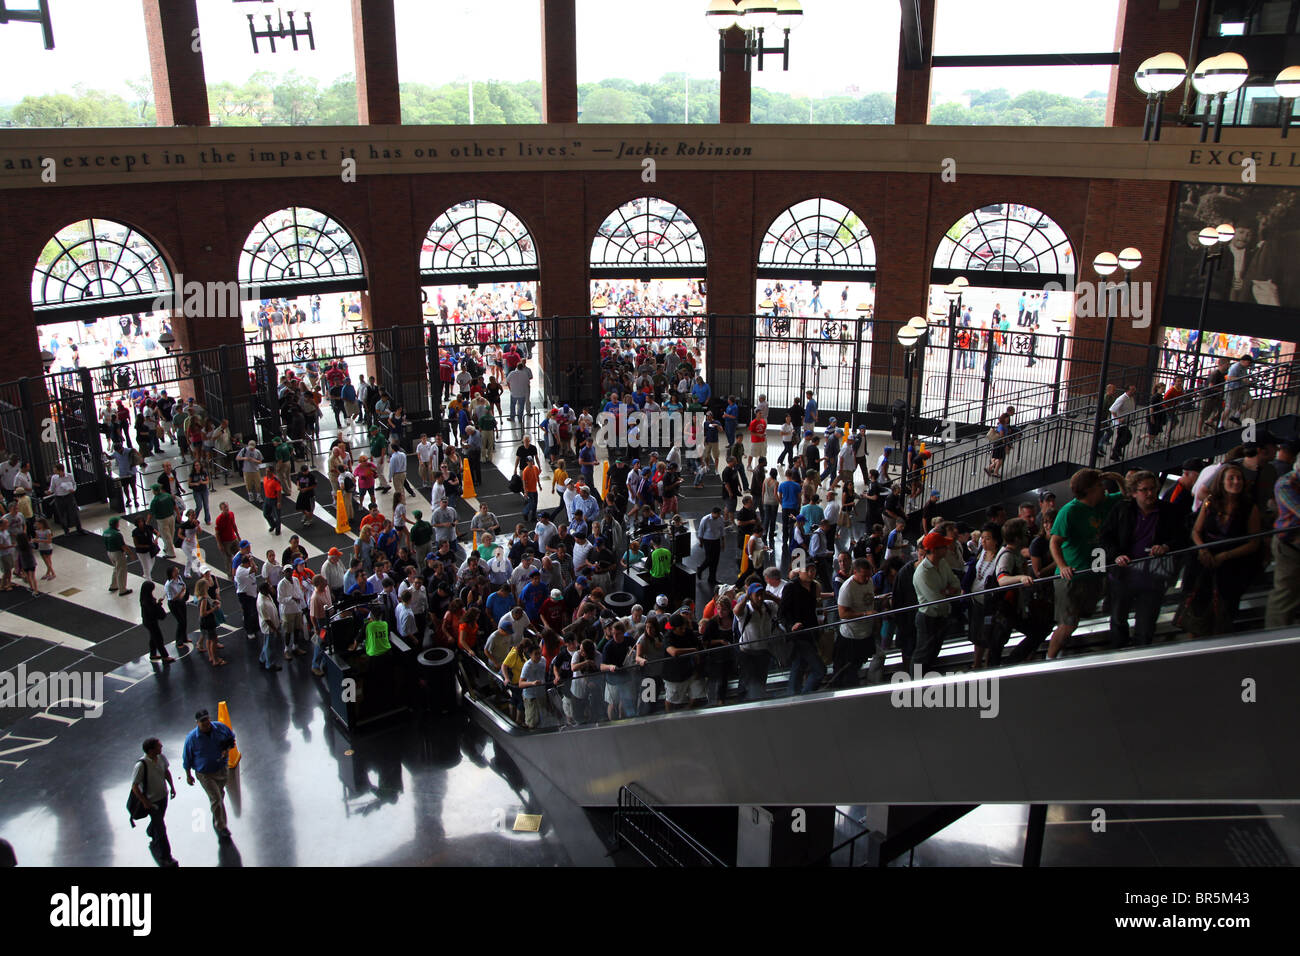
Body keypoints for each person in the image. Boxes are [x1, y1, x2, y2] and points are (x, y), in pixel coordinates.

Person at [1099, 470, 1188, 648]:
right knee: (1118, 619)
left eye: (1152, 489)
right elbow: (1106, 537)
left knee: (1146, 624)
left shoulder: (1169, 511)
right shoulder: (1122, 509)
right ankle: (1118, 653)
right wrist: (1117, 555)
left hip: (1153, 578)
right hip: (1123, 576)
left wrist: (1166, 547)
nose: (1149, 493)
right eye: (1144, 490)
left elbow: (1182, 537)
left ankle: (1142, 655)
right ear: (1134, 492)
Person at [1046, 468, 1125, 659]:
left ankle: (1062, 650)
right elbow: (1054, 542)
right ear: (1089, 490)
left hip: (1094, 573)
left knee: (1079, 618)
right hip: (1072, 576)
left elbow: (1127, 496)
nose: (1104, 489)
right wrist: (1063, 566)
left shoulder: (1104, 502)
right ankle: (1049, 658)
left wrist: (1117, 478)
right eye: (1099, 486)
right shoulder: (1070, 511)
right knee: (1068, 623)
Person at [1181, 463, 1262, 637]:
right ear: (1222, 482)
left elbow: (1254, 542)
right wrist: (1203, 550)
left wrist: (1225, 556)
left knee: (1225, 611)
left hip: (1232, 568)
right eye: (1231, 478)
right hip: (1204, 563)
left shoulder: (1249, 507)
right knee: (1198, 609)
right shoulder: (1210, 502)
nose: (1236, 482)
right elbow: (1196, 530)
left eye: (1239, 478)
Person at [912, 531, 962, 674]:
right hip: (928, 619)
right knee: (923, 654)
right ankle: (915, 683)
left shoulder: (943, 563)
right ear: (933, 550)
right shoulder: (923, 573)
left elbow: (956, 585)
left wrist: (945, 592)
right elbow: (936, 601)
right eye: (943, 547)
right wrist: (948, 592)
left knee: (932, 651)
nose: (947, 549)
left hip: (940, 616)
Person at [182, 709, 236, 841]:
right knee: (216, 798)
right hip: (205, 774)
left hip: (221, 769)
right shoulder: (191, 739)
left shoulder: (220, 728)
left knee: (220, 794)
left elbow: (231, 739)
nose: (205, 723)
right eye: (202, 721)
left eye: (206, 719)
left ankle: (216, 813)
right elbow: (187, 758)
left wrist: (226, 749)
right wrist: (188, 775)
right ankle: (221, 826)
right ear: (197, 723)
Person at [131, 737, 178, 866]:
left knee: (158, 823)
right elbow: (134, 786)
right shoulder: (141, 765)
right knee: (162, 830)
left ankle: (151, 831)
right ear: (151, 750)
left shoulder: (161, 757)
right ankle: (166, 857)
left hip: (163, 797)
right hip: (152, 802)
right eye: (159, 746)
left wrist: (172, 787)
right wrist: (145, 802)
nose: (161, 747)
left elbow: (166, 772)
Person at [194, 577, 224, 666]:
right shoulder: (203, 599)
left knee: (209, 639)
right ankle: (216, 659)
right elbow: (203, 613)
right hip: (208, 621)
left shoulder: (202, 596)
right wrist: (214, 609)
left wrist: (213, 602)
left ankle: (211, 657)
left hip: (204, 622)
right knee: (213, 640)